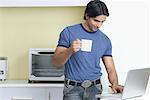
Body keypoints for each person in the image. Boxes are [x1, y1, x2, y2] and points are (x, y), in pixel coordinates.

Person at [52, 0, 123, 100]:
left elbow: (110, 68)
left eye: (102, 21)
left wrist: (115, 84)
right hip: (73, 90)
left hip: (95, 89)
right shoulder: (68, 32)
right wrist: (70, 50)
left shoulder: (105, 40)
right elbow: (56, 62)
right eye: (96, 20)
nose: (99, 25)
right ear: (86, 16)